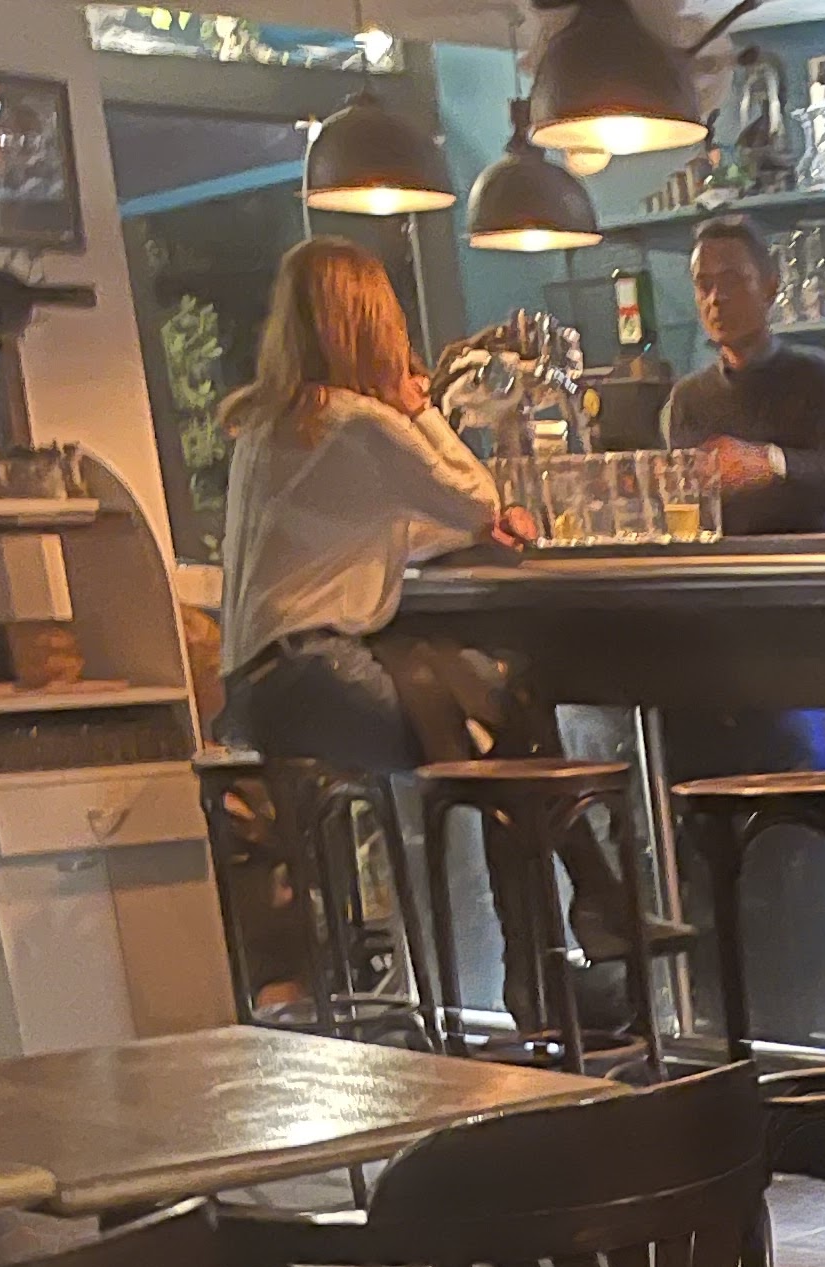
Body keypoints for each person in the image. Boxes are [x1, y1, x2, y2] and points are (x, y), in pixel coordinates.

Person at [219, 237, 642, 1036]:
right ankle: (571, 937)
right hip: (313, 674)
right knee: (507, 725)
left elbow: (392, 529)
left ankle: (560, 952)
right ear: (370, 323)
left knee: (502, 722)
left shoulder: (273, 425)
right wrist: (420, 410)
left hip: (263, 686)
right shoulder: (359, 422)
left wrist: (473, 524)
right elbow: (471, 494)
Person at [663, 217, 825, 540]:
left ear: (770, 288)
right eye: (704, 285)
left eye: (731, 281)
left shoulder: (817, 376)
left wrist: (770, 463)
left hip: (812, 562)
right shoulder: (688, 398)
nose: (716, 298)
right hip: (721, 566)